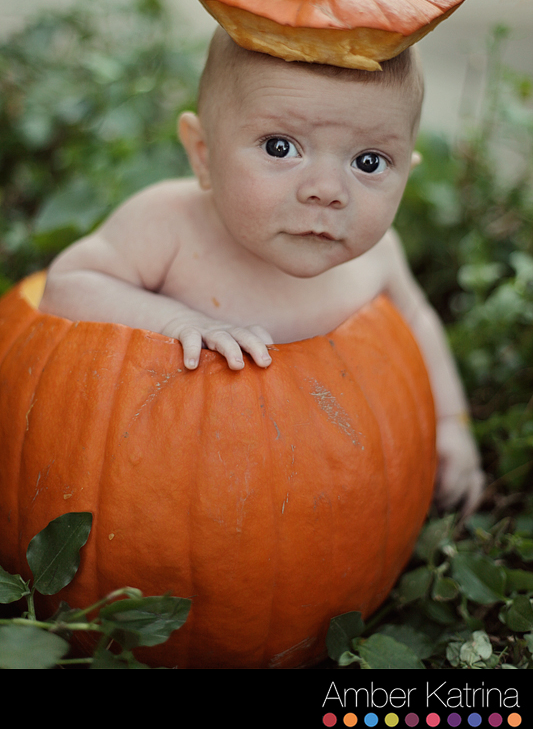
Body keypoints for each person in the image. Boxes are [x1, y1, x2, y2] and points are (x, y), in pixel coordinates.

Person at [39, 26, 484, 513]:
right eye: (279, 147)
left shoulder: (379, 255)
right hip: (166, 491)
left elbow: (418, 321)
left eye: (370, 161)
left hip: (324, 500)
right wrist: (178, 322)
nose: (326, 189)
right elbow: (67, 285)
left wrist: (448, 423)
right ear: (203, 154)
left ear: (408, 172)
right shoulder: (168, 227)